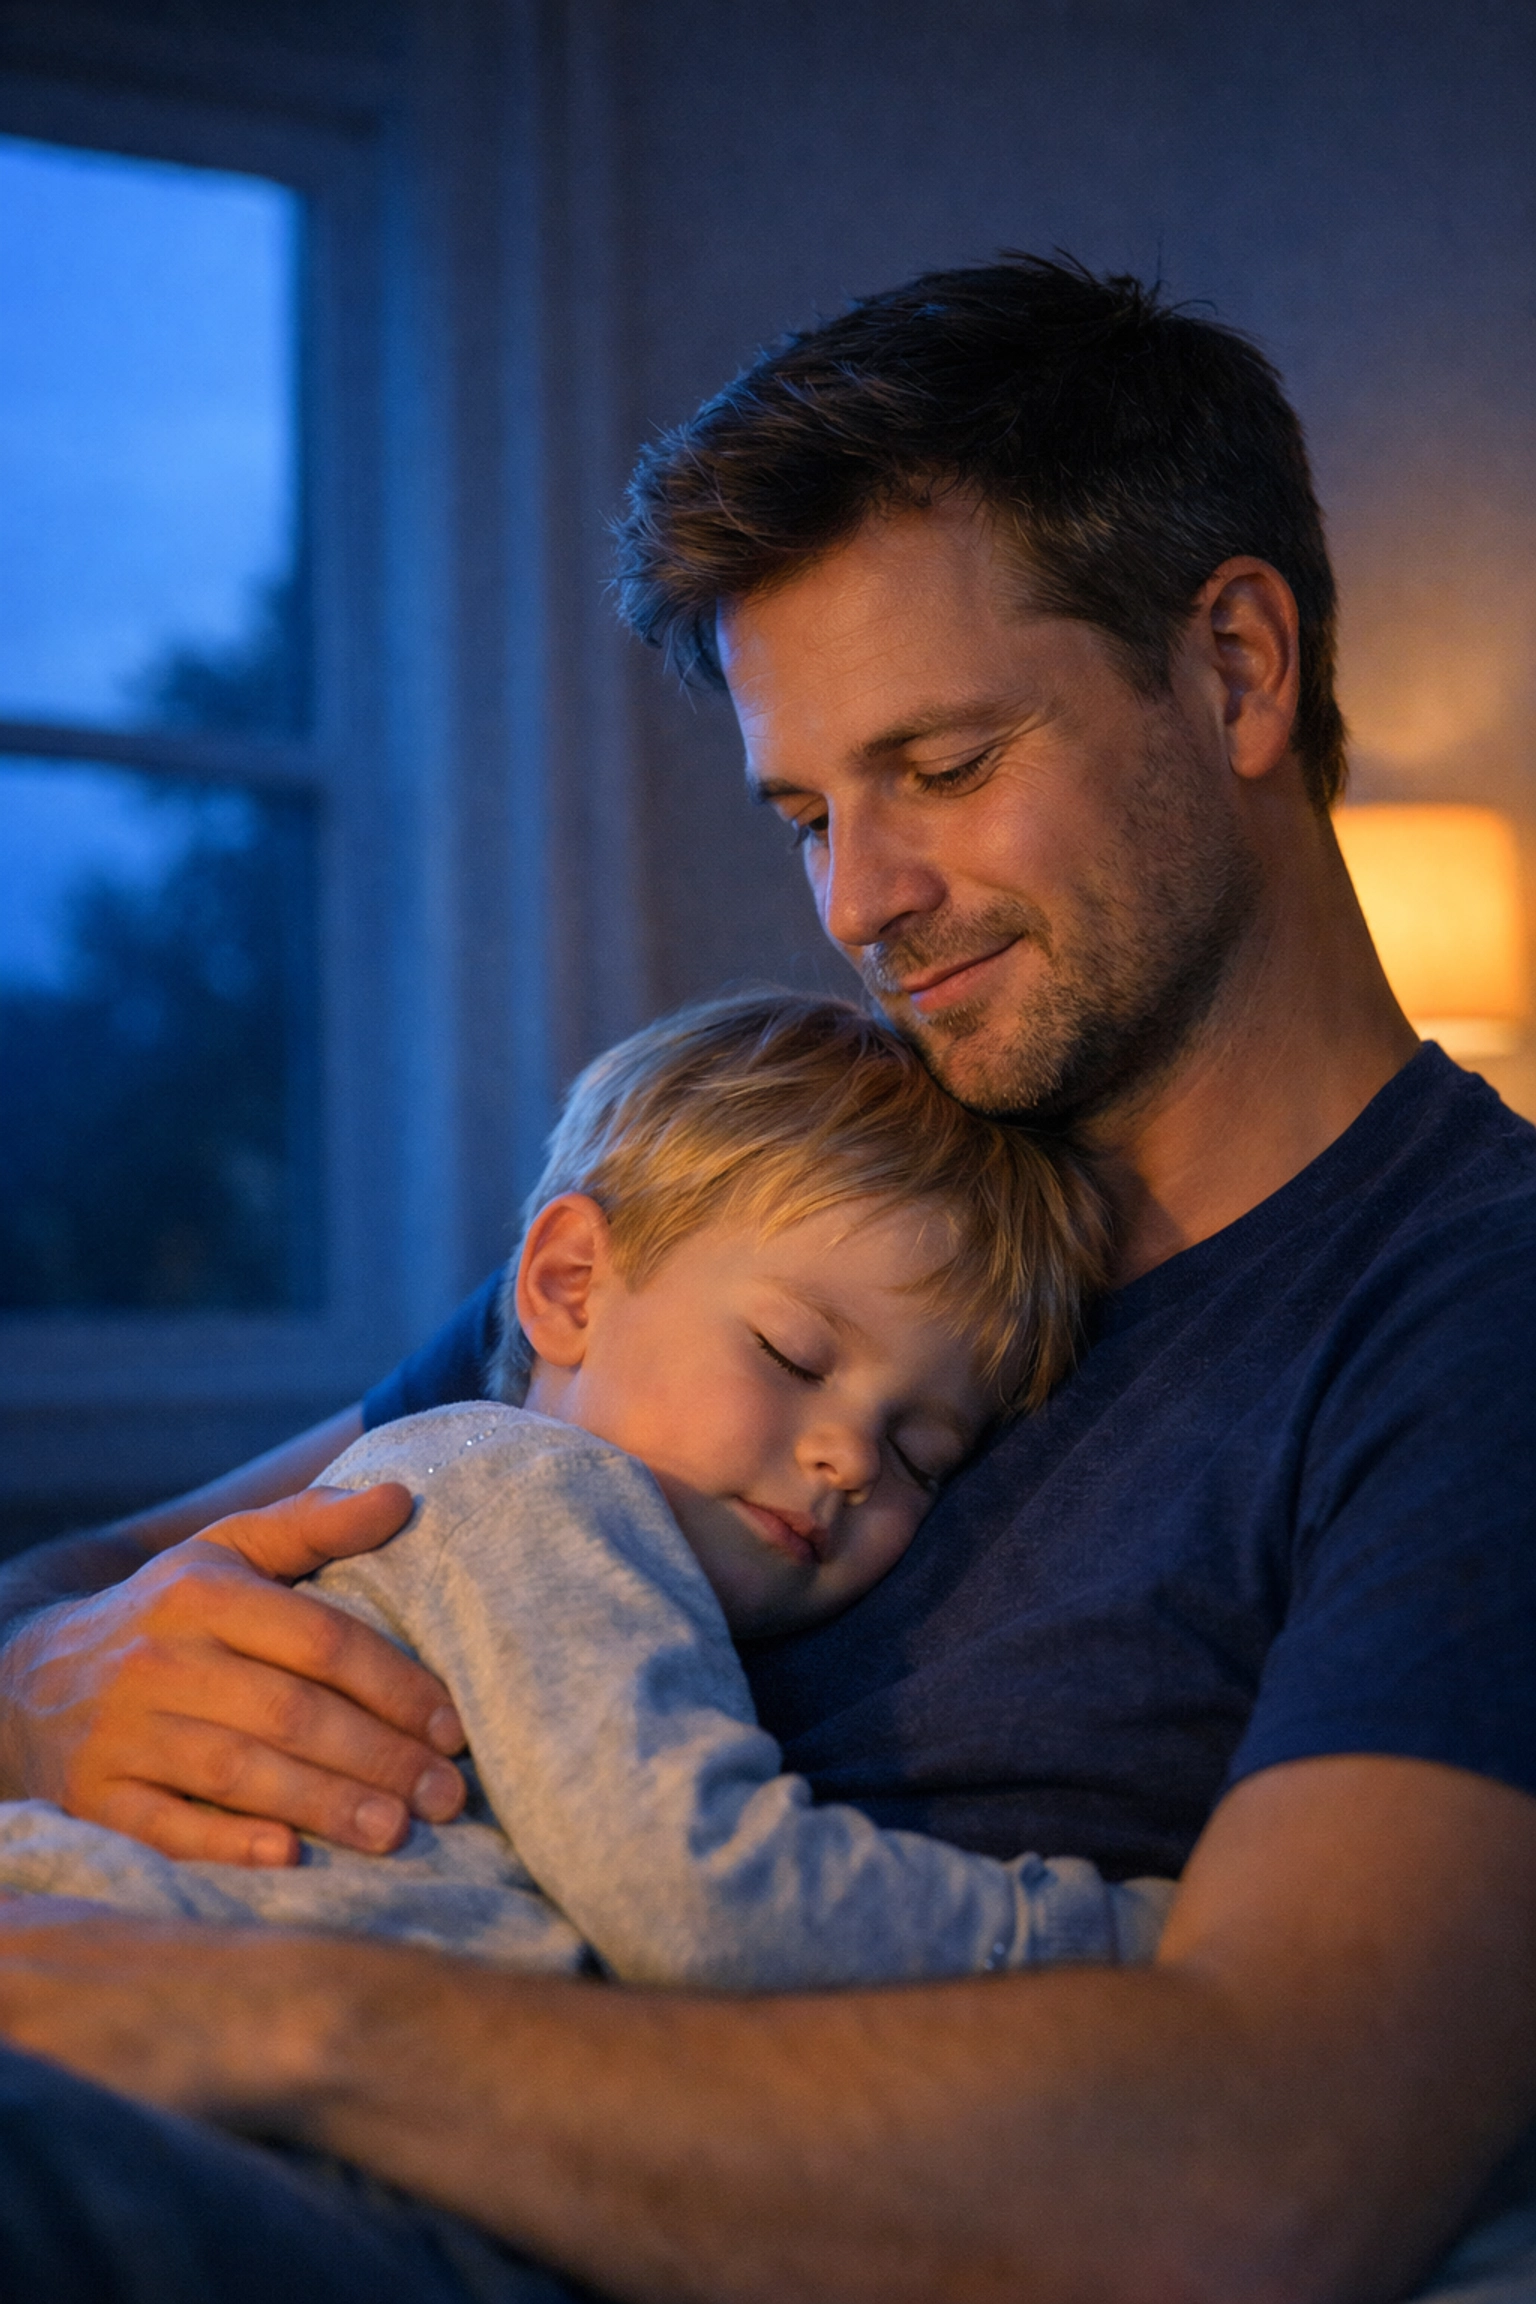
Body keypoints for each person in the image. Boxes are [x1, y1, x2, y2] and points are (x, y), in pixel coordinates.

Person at [0, 254, 1533, 2304]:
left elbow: (1264, 2168)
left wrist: (279, 2030)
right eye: (809, 811)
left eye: (949, 763)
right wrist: (41, 1703)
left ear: (1237, 672)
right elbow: (84, 1580)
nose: (861, 903)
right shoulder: (819, 1211)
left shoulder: (1470, 1317)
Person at [0, 991, 1172, 1981]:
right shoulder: (536, 1491)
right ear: (566, 1287)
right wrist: (1115, 1937)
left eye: (922, 1455)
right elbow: (697, 1891)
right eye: (794, 1357)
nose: (854, 1460)